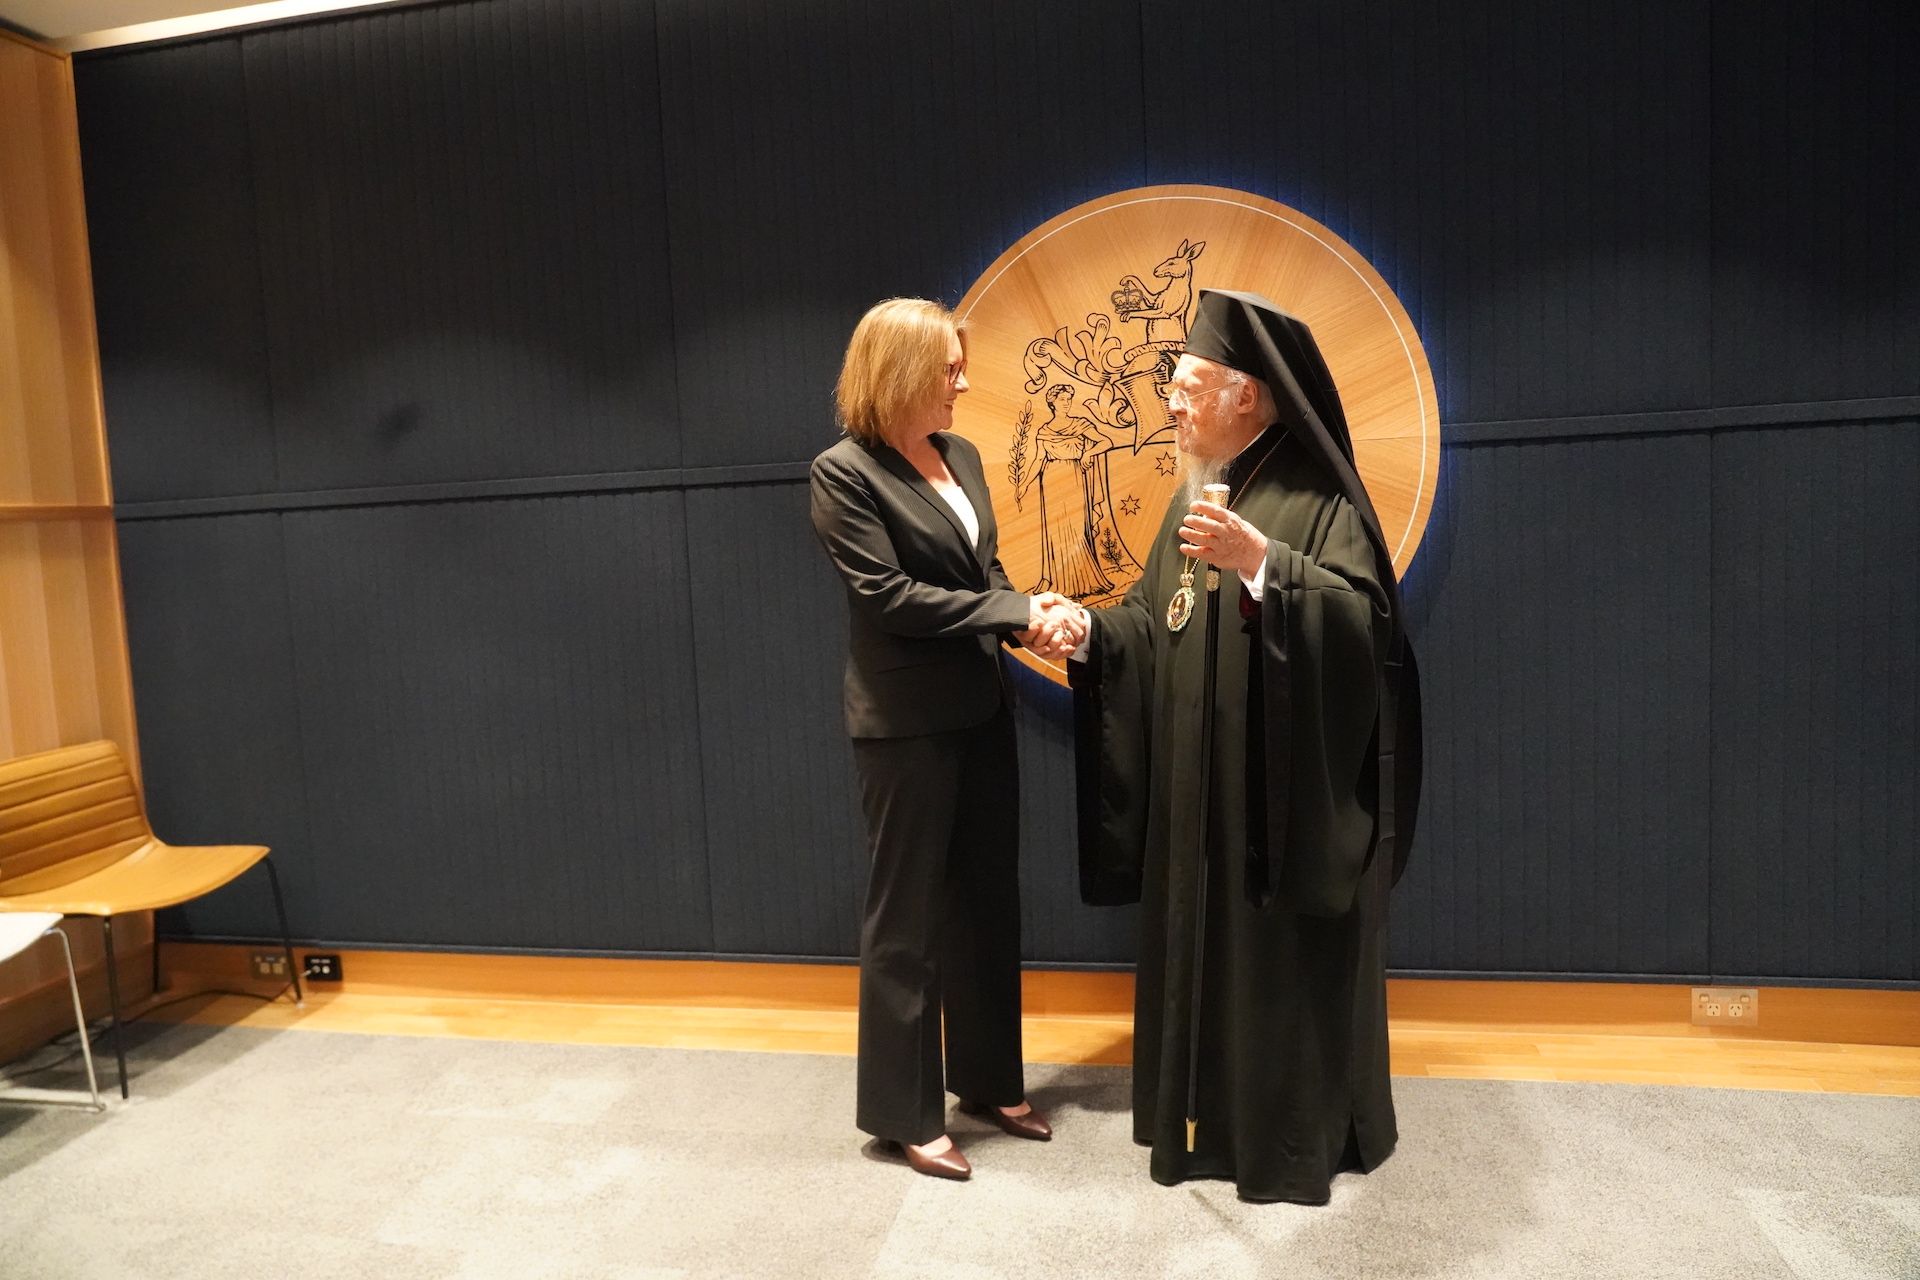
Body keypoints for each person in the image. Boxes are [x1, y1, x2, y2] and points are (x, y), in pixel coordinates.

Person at [1066, 289, 1424, 1203]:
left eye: (1188, 388)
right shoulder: (1197, 495)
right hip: (1197, 801)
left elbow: (1364, 628)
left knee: (1272, 965)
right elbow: (1154, 618)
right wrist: (1093, 634)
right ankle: (1198, 1123)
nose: (1171, 405)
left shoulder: (1319, 500)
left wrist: (1265, 565)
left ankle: (1283, 1142)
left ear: (1247, 396)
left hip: (1274, 803)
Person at [809, 297, 1086, 1181]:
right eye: (949, 370)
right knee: (908, 921)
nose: (962, 384)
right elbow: (888, 598)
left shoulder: (959, 455)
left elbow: (982, 570)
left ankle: (989, 1082)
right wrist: (1011, 610)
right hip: (904, 727)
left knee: (986, 904)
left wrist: (1030, 618)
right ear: (898, 375)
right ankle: (904, 1115)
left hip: (980, 710)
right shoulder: (843, 473)